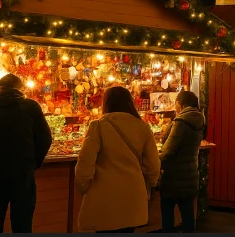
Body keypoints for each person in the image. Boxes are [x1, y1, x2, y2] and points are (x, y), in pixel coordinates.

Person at [0, 73, 53, 232]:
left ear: (0, 87)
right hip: (22, 173)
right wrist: (33, 163)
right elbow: (45, 138)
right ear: (20, 88)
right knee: (22, 224)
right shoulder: (30, 106)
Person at [75, 86, 161, 232]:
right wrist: (148, 186)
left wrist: (83, 187)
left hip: (104, 198)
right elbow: (153, 166)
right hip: (133, 198)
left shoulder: (98, 126)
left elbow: (85, 163)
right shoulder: (142, 128)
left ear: (106, 104)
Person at [158, 90, 205, 233]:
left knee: (168, 214)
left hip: (174, 177)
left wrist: (156, 159)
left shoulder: (181, 122)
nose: (175, 107)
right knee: (188, 215)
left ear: (181, 104)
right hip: (190, 174)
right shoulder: (199, 120)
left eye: (176, 103)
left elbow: (168, 151)